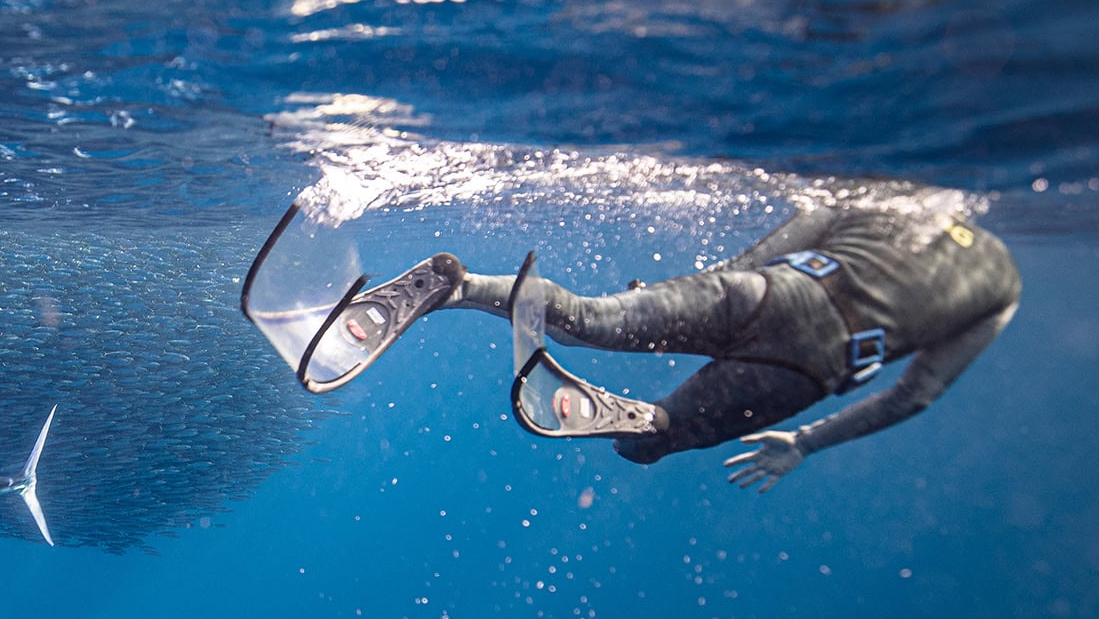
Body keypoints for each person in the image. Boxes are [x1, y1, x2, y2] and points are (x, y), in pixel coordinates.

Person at [355, 201, 1020, 490]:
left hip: (768, 289)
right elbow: (918, 393)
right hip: (809, 365)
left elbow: (808, 222)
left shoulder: (901, 202)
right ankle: (635, 418)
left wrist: (721, 280)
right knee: (650, 441)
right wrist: (806, 441)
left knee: (590, 316)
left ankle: (460, 287)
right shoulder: (1003, 285)